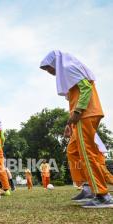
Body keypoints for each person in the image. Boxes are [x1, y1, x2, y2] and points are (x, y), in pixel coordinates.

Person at [40, 50, 113, 208]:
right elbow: (77, 95)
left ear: (55, 63)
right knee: (73, 151)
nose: (49, 72)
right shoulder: (67, 72)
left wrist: (78, 111)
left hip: (85, 114)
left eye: (49, 68)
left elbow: (86, 88)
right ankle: (88, 186)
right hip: (80, 116)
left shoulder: (68, 67)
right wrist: (69, 123)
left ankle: (102, 195)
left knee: (87, 154)